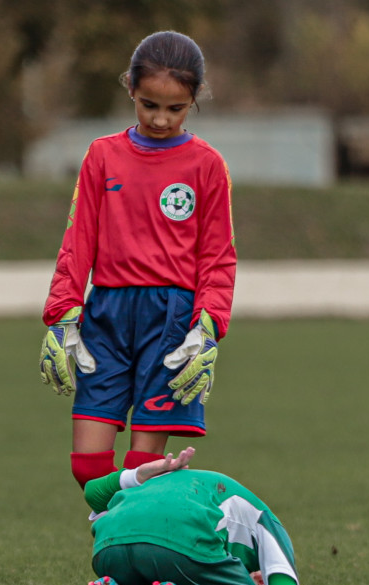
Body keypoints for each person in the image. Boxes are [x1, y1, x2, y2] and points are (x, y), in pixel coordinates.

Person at [38, 30, 237, 490]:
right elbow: (77, 241)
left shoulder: (207, 164)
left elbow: (218, 257)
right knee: (87, 467)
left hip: (170, 323)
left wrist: (207, 328)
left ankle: (123, 562)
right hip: (106, 316)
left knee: (143, 472)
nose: (161, 119)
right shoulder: (102, 155)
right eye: (149, 104)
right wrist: (62, 315)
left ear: (195, 100)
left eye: (176, 108)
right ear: (130, 87)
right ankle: (124, 546)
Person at [78, 447, 305, 585]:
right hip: (179, 538)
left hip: (107, 548)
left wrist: (138, 474)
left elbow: (93, 493)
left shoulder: (174, 480)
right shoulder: (269, 523)